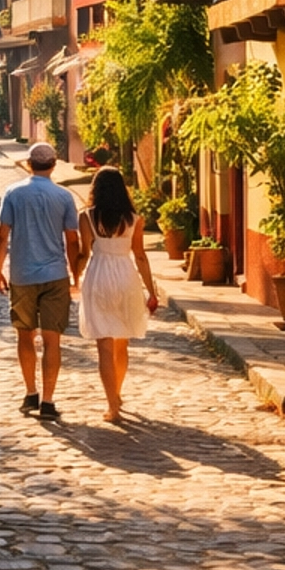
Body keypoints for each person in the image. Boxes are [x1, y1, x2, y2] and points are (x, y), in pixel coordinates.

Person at [0, 141, 81, 422]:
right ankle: (48, 400)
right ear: (54, 165)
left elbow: (2, 235)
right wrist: (75, 274)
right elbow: (72, 239)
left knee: (24, 334)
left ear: (29, 164)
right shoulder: (64, 197)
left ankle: (30, 391)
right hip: (55, 274)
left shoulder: (13, 193)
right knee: (52, 339)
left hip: (22, 274)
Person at [76, 165, 159, 423]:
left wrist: (73, 276)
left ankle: (112, 403)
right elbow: (141, 256)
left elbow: (84, 253)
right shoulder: (134, 219)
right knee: (122, 343)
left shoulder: (87, 217)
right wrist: (151, 291)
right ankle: (118, 393)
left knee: (104, 344)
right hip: (126, 277)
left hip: (99, 276)